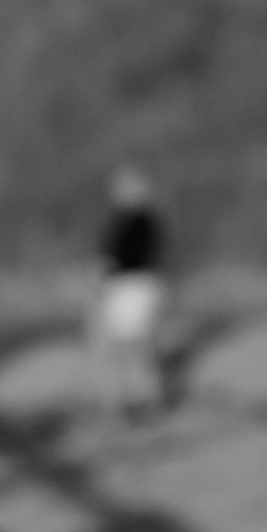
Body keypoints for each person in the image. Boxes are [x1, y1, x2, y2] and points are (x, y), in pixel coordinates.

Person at [94, 165, 172, 413]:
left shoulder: (142, 220)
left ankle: (146, 397)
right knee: (125, 347)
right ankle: (132, 396)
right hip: (126, 287)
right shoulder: (124, 220)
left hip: (135, 287)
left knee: (137, 346)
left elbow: (131, 256)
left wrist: (104, 269)